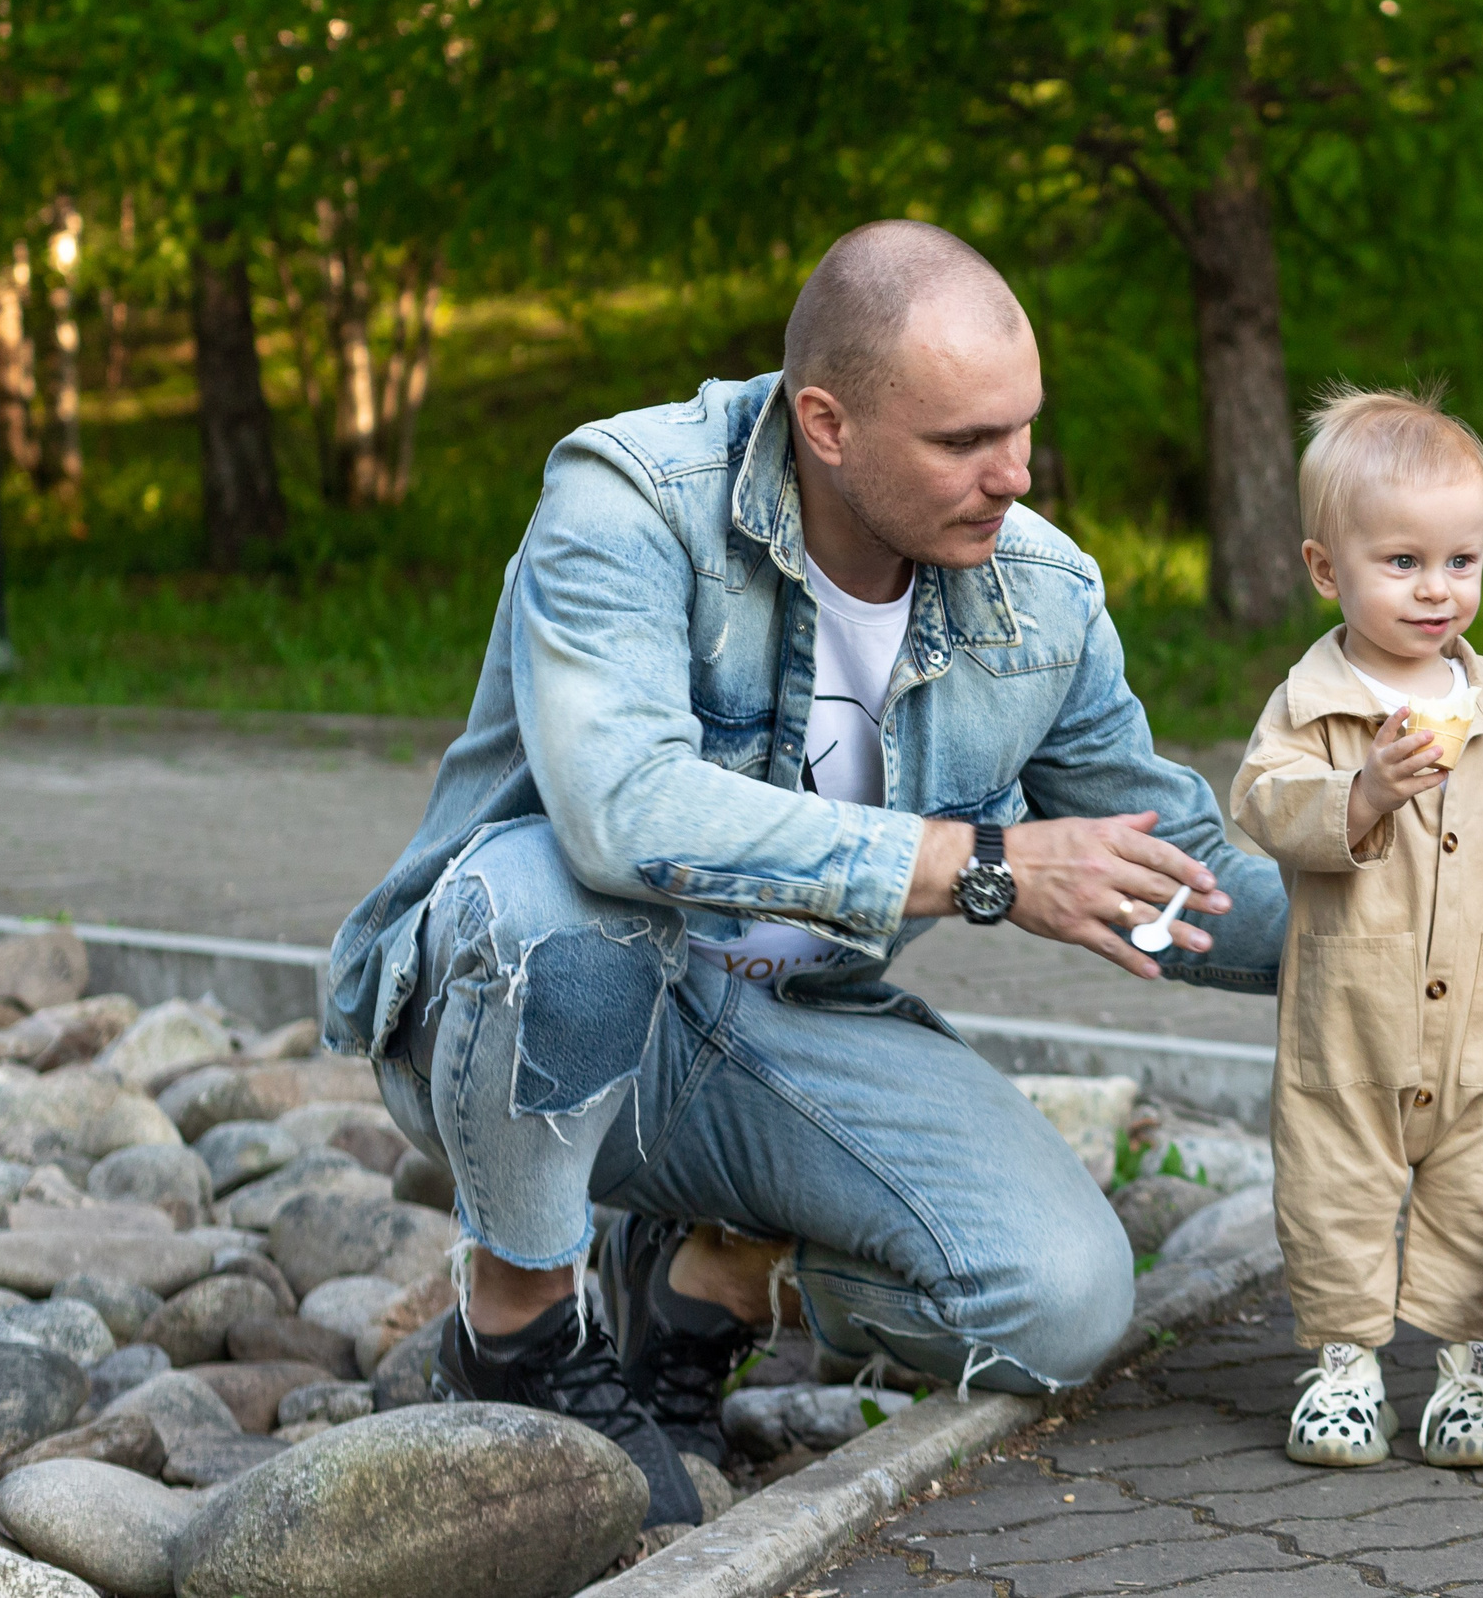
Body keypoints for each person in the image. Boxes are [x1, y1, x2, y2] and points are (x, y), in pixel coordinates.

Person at [323, 220, 1287, 1525]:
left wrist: (1435, 916)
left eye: (1023, 427)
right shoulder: (630, 498)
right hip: (519, 1008)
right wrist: (984, 863)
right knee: (557, 896)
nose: (1014, 476)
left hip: (781, 1030)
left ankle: (710, 1273)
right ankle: (521, 1325)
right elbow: (621, 811)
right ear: (824, 423)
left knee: (1061, 1298)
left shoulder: (1040, 595)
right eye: (963, 442)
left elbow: (1173, 872)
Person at [1230, 389, 1483, 1470]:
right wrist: (1358, 795)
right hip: (1347, 1018)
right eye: (1402, 562)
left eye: (1462, 561)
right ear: (1325, 570)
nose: (1438, 589)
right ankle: (1344, 1365)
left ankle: (1460, 1371)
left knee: (1471, 1191)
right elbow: (1260, 802)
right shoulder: (1309, 708)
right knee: (1334, 1187)